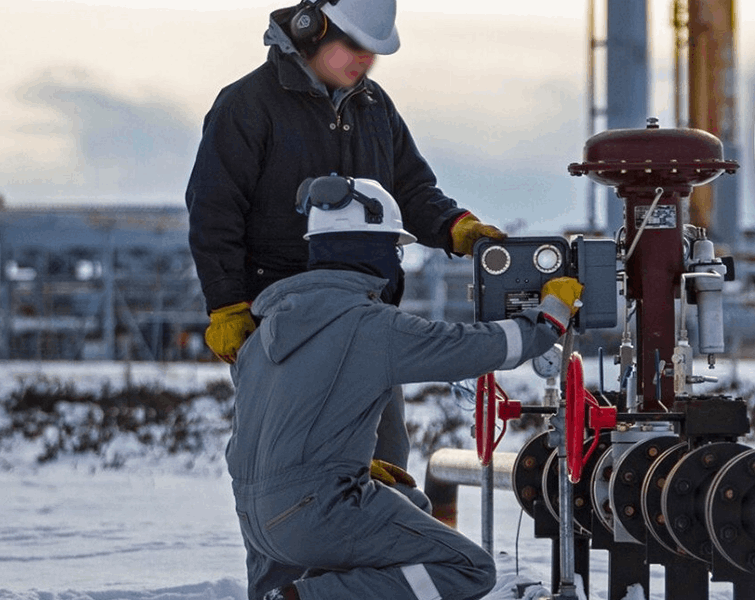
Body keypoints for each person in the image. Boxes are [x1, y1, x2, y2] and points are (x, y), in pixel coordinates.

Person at [184, 0, 506, 473]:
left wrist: (456, 227)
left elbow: (412, 189)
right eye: (354, 46)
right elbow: (215, 212)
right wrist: (227, 304)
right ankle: (300, 548)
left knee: (386, 457)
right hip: (284, 325)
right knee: (299, 466)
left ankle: (384, 545)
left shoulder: (375, 108)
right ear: (313, 30)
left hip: (367, 316)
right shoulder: (246, 106)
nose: (365, 60)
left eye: (373, 52)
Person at [226, 176, 584, 600]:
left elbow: (265, 430)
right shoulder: (368, 324)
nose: (397, 263)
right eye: (394, 250)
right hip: (314, 515)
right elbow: (470, 347)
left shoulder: (267, 330)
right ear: (371, 250)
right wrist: (548, 320)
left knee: (406, 502)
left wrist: (334, 461)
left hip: (256, 519)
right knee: (468, 568)